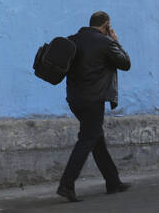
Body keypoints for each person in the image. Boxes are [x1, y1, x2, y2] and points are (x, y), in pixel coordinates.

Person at [56, 11, 132, 202]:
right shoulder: (105, 42)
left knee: (96, 138)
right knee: (88, 139)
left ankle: (113, 181)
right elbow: (125, 63)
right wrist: (115, 40)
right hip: (93, 99)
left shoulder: (73, 39)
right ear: (106, 25)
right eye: (109, 27)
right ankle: (66, 185)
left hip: (74, 99)